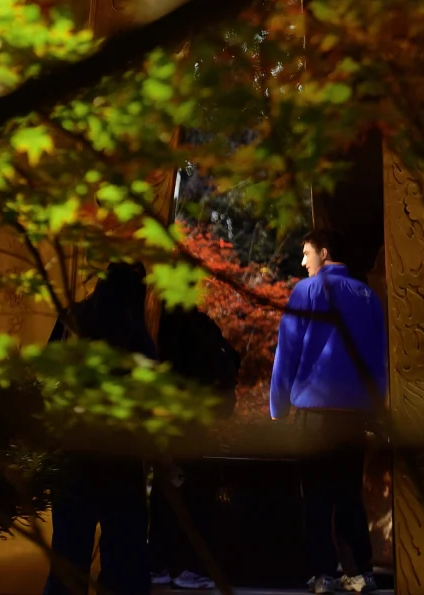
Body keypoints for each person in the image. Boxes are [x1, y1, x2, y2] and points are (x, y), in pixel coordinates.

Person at [270, 228, 387, 595]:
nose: (304, 262)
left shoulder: (306, 292)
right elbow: (378, 359)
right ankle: (361, 571)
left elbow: (286, 353)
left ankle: (323, 573)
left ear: (324, 252)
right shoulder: (368, 296)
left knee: (316, 496)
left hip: (314, 414)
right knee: (349, 494)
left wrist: (278, 406)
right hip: (354, 413)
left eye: (307, 253)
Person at [43, 261, 156, 595]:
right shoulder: (135, 332)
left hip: (71, 454)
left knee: (67, 560)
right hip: (120, 457)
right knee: (125, 562)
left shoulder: (72, 318)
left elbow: (46, 376)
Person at [149, 304, 241, 590]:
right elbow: (231, 359)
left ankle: (164, 562)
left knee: (168, 491)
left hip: (173, 418)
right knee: (193, 491)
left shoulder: (165, 326)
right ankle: (194, 565)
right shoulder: (203, 324)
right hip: (199, 420)